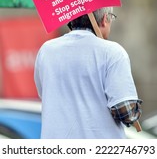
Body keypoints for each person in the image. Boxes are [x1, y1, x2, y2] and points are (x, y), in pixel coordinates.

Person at [34, 7, 142, 139]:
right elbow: (126, 112)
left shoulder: (46, 50)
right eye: (112, 17)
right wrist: (134, 112)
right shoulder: (112, 52)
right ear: (104, 19)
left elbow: (44, 93)